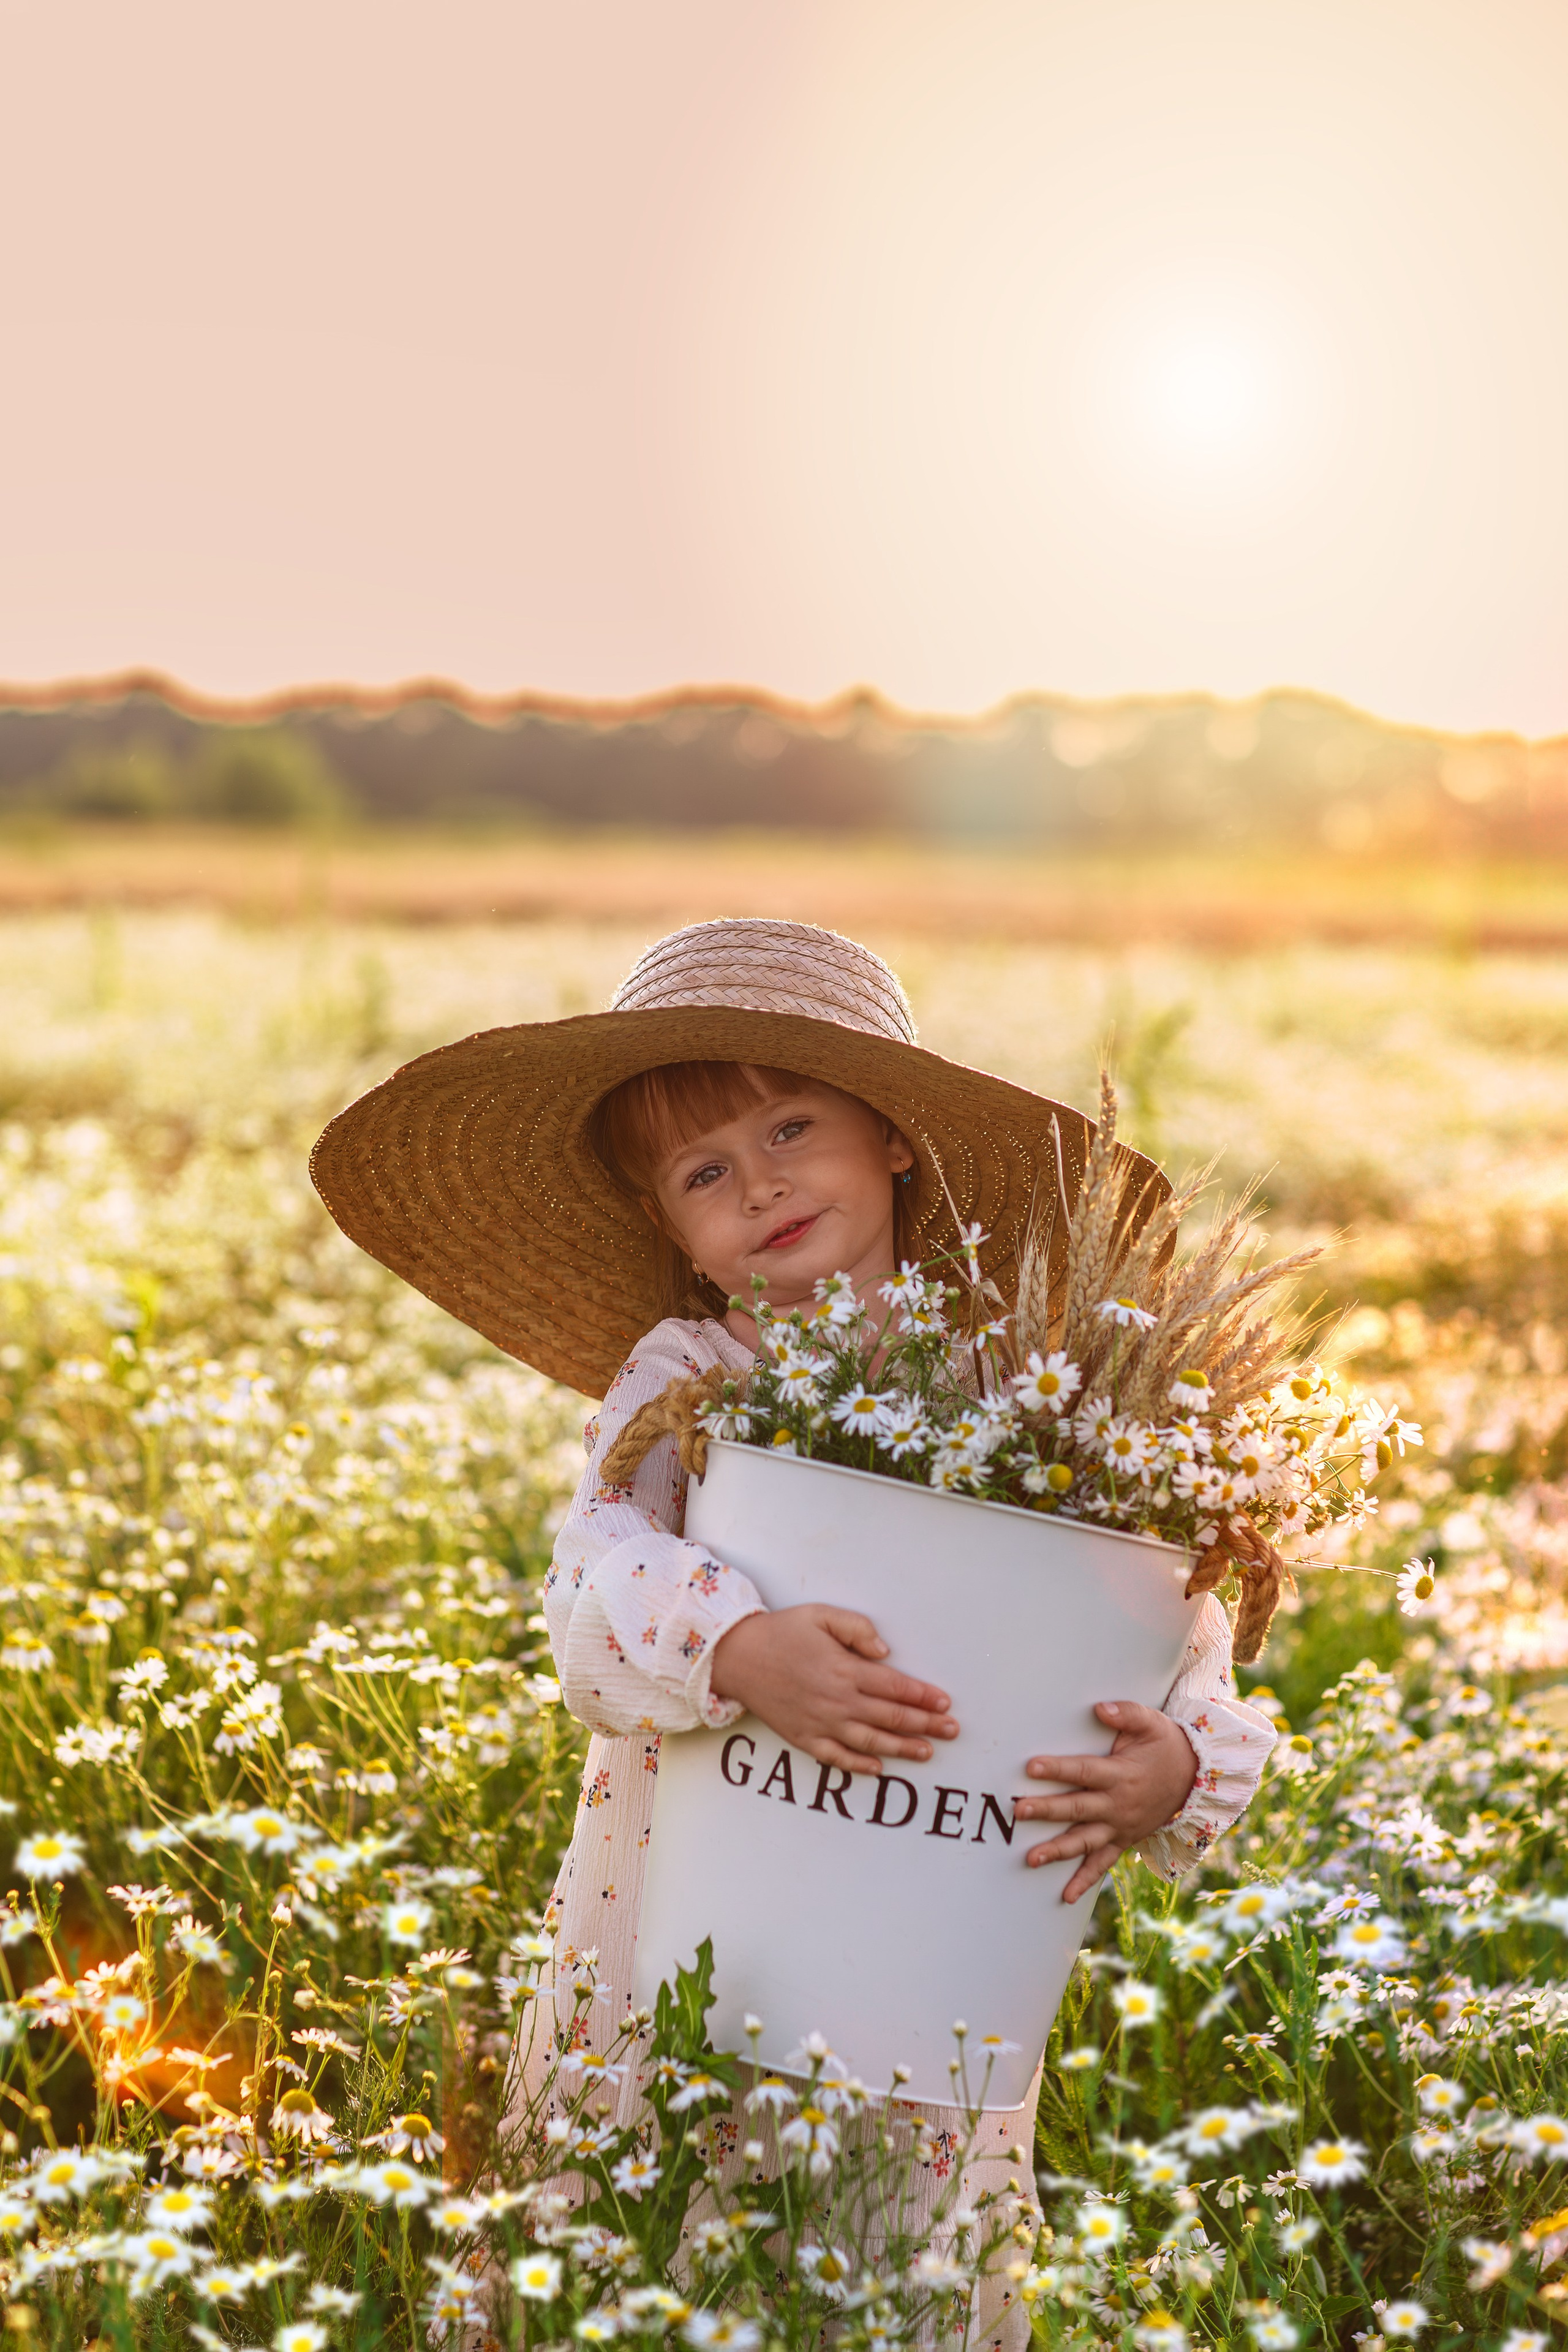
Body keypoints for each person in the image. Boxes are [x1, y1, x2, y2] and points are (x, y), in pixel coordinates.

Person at [312, 916, 1277, 2346]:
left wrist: (1178, 1767)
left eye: (791, 1127)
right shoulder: (690, 1374)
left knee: (895, 2205)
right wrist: (734, 1645)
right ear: (670, 1230)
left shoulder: (1032, 1375)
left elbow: (1158, 1608)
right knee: (654, 2149)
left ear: (889, 1137)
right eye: (704, 1173)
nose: (758, 1184)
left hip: (935, 1890)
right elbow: (596, 1564)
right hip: (695, 1868)